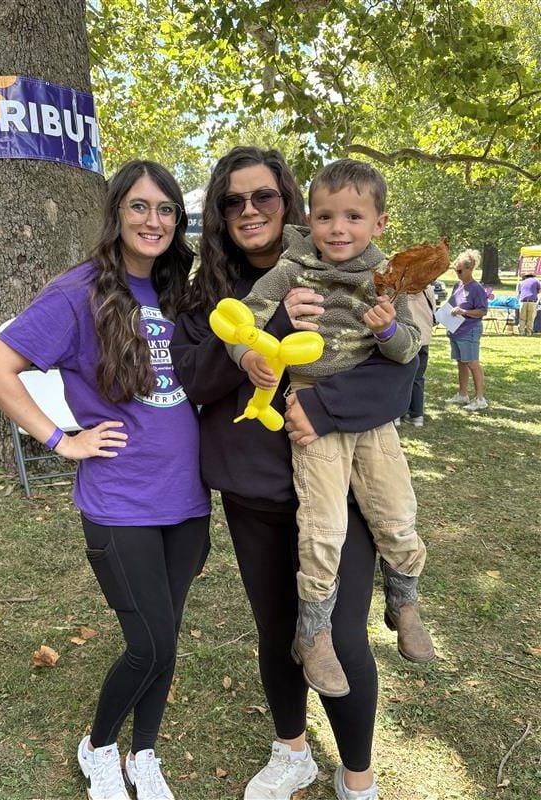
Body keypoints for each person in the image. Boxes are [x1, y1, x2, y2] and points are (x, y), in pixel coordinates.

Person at [172, 146, 415, 800]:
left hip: (341, 490)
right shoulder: (208, 291)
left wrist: (323, 409)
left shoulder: (349, 265)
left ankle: (357, 778)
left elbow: (401, 378)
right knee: (278, 633)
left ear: (289, 201)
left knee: (337, 636)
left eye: (264, 197)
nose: (249, 210)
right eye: (232, 201)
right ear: (219, 214)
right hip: (255, 492)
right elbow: (196, 376)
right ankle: (292, 751)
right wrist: (270, 327)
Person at [0, 160, 209, 800]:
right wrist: (60, 439)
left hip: (186, 501)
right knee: (149, 645)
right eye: (139, 207)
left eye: (166, 210)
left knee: (167, 638)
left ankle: (146, 752)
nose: (153, 220)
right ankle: (99, 747)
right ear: (116, 215)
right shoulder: (79, 292)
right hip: (121, 501)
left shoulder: (177, 291)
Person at [225, 159, 432, 699]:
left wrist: (389, 329)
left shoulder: (390, 279)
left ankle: (404, 599)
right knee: (321, 528)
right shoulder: (293, 271)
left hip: (373, 421)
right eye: (324, 217)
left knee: (397, 511)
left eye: (353, 217)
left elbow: (410, 352)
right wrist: (250, 356)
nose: (337, 229)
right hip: (313, 418)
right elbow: (240, 323)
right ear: (309, 220)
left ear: (380, 223)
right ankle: (312, 632)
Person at [443, 249, 488, 411]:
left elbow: (482, 311)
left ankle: (480, 398)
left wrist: (464, 312)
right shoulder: (458, 285)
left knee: (472, 363)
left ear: (470, 269)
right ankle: (463, 394)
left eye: (460, 271)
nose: (457, 273)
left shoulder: (476, 288)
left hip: (470, 330)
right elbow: (451, 304)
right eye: (456, 270)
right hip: (456, 330)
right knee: (461, 362)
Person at [402, 284, 437, 426]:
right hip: (423, 337)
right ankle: (416, 415)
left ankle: (398, 414)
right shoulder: (428, 288)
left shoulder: (398, 286)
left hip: (404, 338)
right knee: (417, 377)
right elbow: (433, 313)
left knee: (400, 377)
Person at [516, 270, 538, 336]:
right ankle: (529, 333)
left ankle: (521, 332)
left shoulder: (521, 282)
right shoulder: (536, 281)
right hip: (532, 302)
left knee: (522, 318)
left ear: (525, 277)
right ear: (533, 276)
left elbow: (519, 293)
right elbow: (539, 290)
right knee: (530, 318)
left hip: (523, 301)